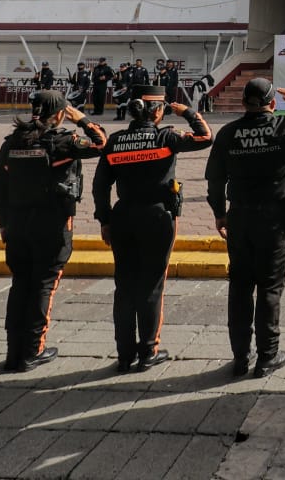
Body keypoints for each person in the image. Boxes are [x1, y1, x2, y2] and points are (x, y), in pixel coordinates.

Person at [206, 78, 285, 377]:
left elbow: (215, 180)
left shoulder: (228, 133)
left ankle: (240, 358)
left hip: (239, 218)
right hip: (275, 221)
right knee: (269, 288)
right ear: (273, 103)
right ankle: (267, 357)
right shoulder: (284, 127)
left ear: (243, 103)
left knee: (240, 288)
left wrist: (219, 214)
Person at [92, 85, 212, 372]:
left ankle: (124, 355)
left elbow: (100, 185)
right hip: (157, 217)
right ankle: (148, 352)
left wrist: (105, 220)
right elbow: (206, 137)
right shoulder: (166, 136)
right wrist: (187, 112)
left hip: (122, 217)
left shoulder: (116, 140)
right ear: (158, 111)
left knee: (124, 286)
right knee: (151, 285)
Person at [0, 91, 107, 371]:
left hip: (17, 224)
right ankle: (32, 351)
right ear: (60, 114)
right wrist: (83, 120)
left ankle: (14, 352)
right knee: (43, 285)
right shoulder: (63, 141)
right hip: (51, 224)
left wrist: (3, 224)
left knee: (20, 284)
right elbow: (102, 143)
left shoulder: (12, 143)